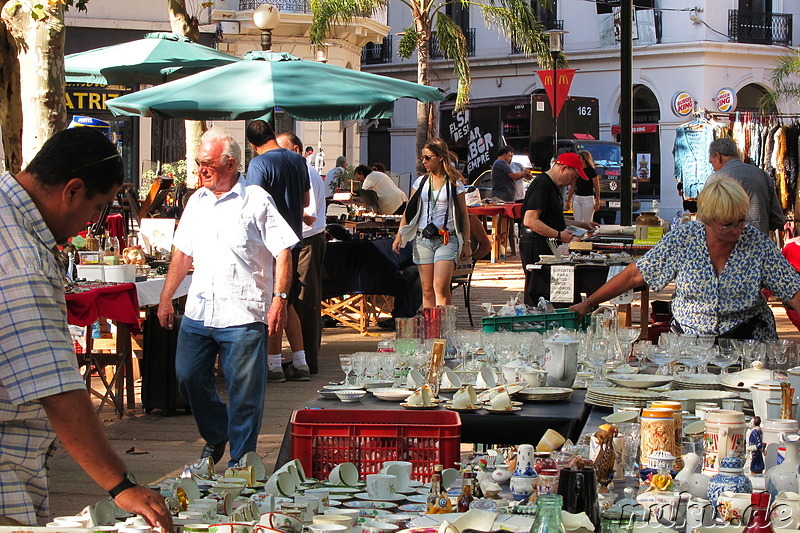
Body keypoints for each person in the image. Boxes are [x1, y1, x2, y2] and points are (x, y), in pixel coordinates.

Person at [0, 128, 172, 528]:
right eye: (97, 206)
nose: (92, 221)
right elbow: (55, 388)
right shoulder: (22, 261)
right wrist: (120, 485)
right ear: (72, 190)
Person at [158, 128, 297, 467]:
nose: (199, 171)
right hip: (200, 309)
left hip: (244, 311)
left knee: (245, 396)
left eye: (207, 164)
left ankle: (240, 465)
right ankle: (218, 432)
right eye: (198, 163)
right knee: (187, 377)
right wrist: (165, 298)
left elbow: (283, 251)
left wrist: (279, 298)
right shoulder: (196, 201)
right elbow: (182, 253)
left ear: (231, 164)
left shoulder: (256, 200)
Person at [569, 177, 800, 341]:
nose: (738, 230)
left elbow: (793, 290)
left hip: (748, 343)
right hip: (691, 344)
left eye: (741, 221)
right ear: (708, 220)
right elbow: (634, 275)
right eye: (728, 224)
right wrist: (589, 304)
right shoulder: (684, 239)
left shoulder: (757, 244)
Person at [245, 120, 312, 382]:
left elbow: (252, 203)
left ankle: (273, 365)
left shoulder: (258, 163)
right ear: (273, 134)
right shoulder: (298, 160)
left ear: (252, 145)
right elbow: (306, 201)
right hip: (293, 240)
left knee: (271, 300)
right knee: (288, 300)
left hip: (267, 242)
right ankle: (300, 361)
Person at [392, 138, 471, 307]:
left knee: (440, 287)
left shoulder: (453, 183)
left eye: (428, 157)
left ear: (440, 157)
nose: (424, 161)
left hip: (446, 238)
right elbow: (409, 210)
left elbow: (464, 215)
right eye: (423, 157)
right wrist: (400, 234)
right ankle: (431, 329)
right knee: (426, 289)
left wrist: (466, 242)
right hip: (423, 239)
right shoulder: (420, 182)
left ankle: (445, 327)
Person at [276, 131, 327, 375]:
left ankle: (307, 360)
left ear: (295, 150)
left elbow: (309, 215)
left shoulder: (305, 172)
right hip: (297, 241)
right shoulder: (296, 171)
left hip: (308, 241)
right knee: (295, 300)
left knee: (306, 302)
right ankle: (301, 358)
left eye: (282, 150)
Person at [520, 152, 595, 305]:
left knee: (548, 290)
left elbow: (553, 219)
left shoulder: (551, 186)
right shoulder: (542, 184)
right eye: (573, 177)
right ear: (564, 169)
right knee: (540, 290)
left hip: (543, 242)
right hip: (535, 243)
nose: (571, 183)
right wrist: (559, 235)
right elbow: (530, 220)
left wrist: (582, 224)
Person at [708, 137, 784, 235]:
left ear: (718, 157)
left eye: (712, 163)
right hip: (759, 243)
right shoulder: (762, 175)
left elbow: (706, 219)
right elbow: (777, 219)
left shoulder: (714, 179)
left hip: (726, 246)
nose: (713, 168)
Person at [566, 150, 601, 225]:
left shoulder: (591, 171)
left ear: (584, 159)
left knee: (587, 222)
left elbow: (597, 187)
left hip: (588, 198)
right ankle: (579, 236)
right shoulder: (577, 170)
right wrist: (568, 200)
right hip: (577, 198)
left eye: (579, 158)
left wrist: (597, 201)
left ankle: (588, 235)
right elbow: (573, 186)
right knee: (577, 222)